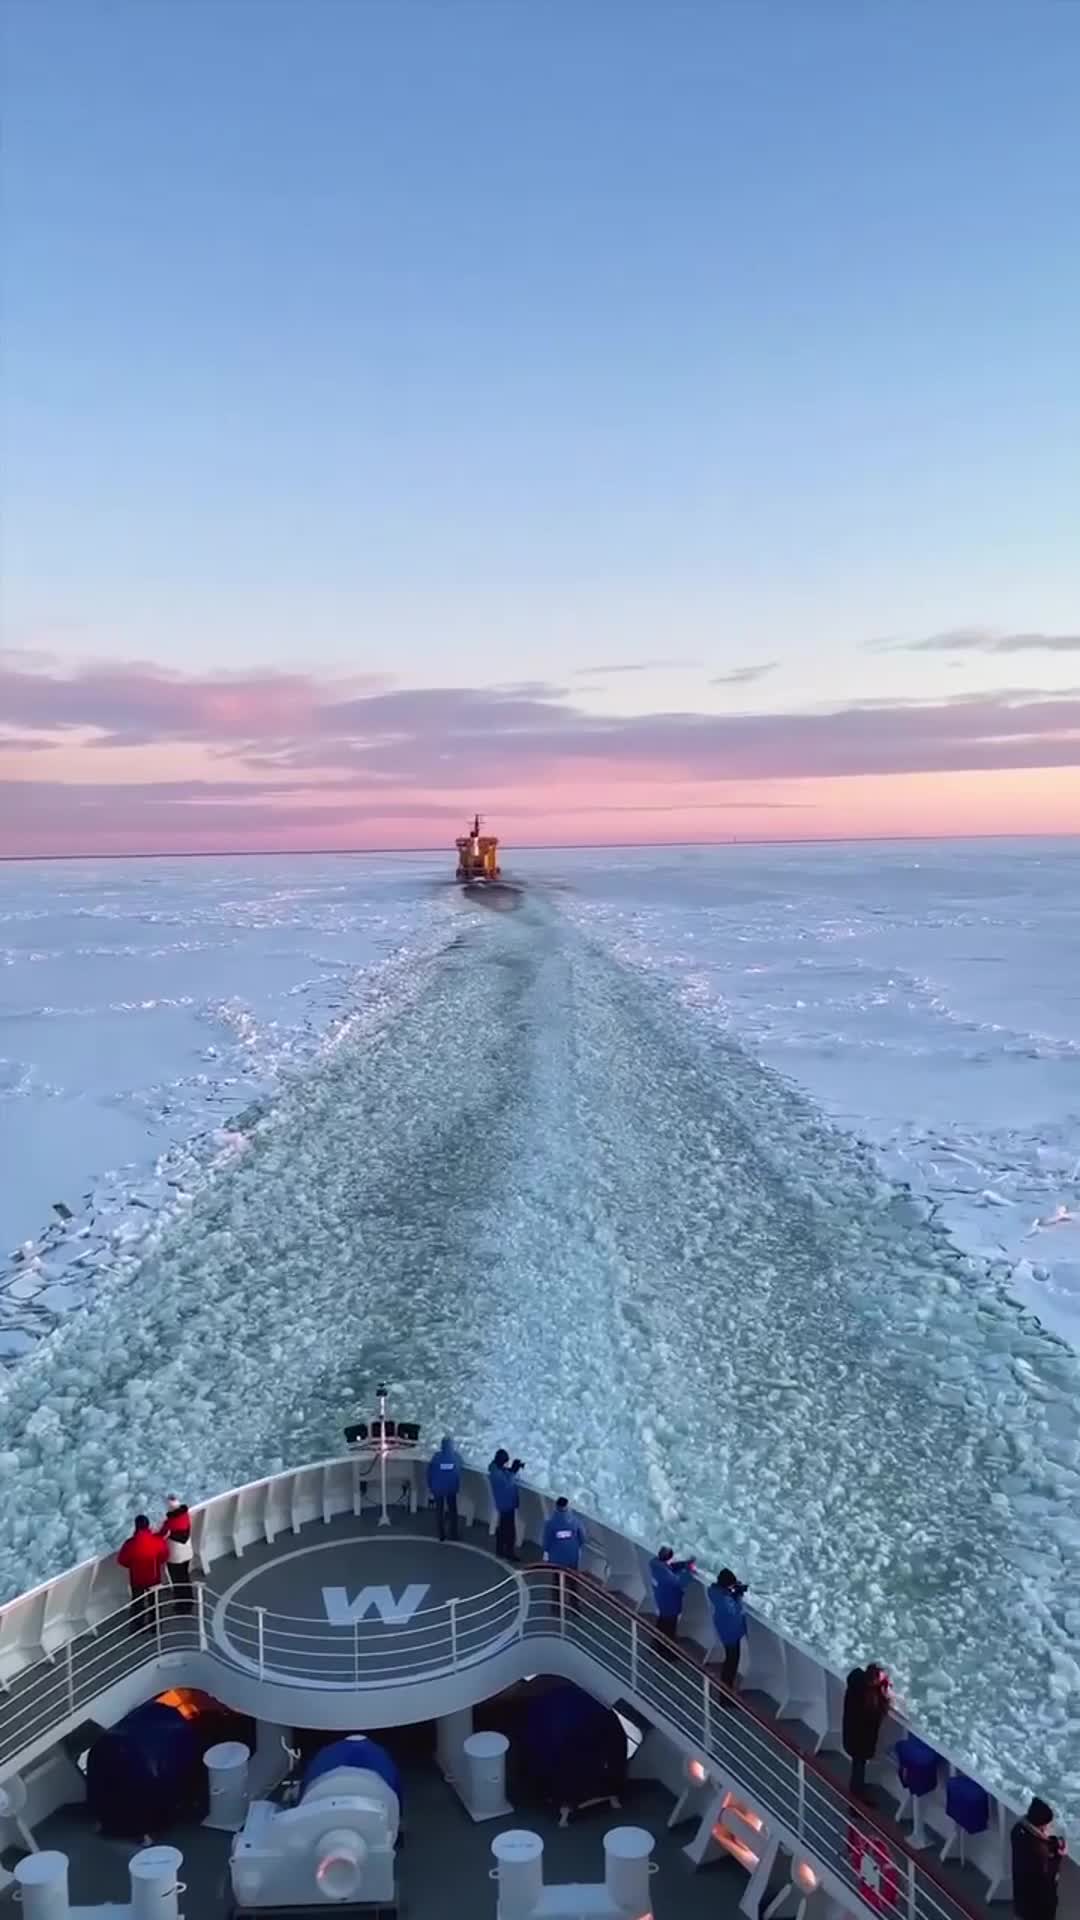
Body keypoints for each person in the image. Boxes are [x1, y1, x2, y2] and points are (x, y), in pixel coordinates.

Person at [842, 1663, 891, 1799]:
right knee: (858, 1767)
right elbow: (874, 1717)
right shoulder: (867, 1698)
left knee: (857, 1766)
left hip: (851, 1735)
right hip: (860, 1741)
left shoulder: (855, 1686)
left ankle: (857, 1789)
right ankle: (856, 1800)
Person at [1011, 1799, 1065, 1920]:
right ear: (1040, 1824)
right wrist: (1058, 1856)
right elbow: (1047, 1873)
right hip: (1038, 1907)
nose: (1047, 1827)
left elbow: (1040, 1841)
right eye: (1046, 1824)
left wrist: (1053, 1843)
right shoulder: (1036, 1847)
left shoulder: (1017, 1830)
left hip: (1022, 1901)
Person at [117, 1514, 169, 1634]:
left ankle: (138, 1627)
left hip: (137, 1579)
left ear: (136, 1527)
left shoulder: (130, 1544)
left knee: (137, 1603)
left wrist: (132, 1566)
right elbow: (164, 1555)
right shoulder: (157, 1541)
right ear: (148, 1526)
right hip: (153, 1577)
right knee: (154, 1602)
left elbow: (121, 1560)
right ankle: (155, 1626)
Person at [709, 1568, 748, 1688]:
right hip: (731, 1635)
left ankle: (725, 1690)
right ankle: (725, 1694)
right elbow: (736, 1612)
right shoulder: (725, 1601)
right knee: (731, 1664)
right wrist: (739, 1596)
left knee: (729, 1662)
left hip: (724, 1631)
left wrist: (732, 1592)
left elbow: (725, 1597)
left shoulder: (714, 1591)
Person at [649, 1546, 695, 1642]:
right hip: (670, 1605)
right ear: (670, 1558)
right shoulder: (667, 1577)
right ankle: (666, 1652)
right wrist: (689, 1571)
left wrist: (685, 1564)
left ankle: (655, 1643)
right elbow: (681, 1581)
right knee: (669, 1630)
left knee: (661, 1623)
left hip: (661, 1601)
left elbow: (671, 1567)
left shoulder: (656, 1564)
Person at [158, 1496, 194, 1612]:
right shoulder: (186, 1516)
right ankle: (190, 1599)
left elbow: (161, 1536)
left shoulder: (170, 1523)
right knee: (185, 1576)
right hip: (187, 1552)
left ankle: (182, 1605)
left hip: (175, 1556)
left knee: (177, 1581)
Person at [488, 1449, 523, 1561]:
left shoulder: (495, 1470)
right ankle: (508, 1552)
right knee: (508, 1530)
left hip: (504, 1504)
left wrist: (512, 1469)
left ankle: (500, 1550)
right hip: (506, 1505)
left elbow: (506, 1475)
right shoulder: (497, 1475)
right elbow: (507, 1484)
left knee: (503, 1528)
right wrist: (513, 1471)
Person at [427, 1436, 463, 1542]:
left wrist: (431, 1487)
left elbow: (429, 1473)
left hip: (437, 1489)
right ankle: (453, 1534)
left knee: (439, 1511)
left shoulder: (436, 1457)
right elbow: (460, 1467)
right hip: (451, 1489)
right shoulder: (456, 1457)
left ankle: (441, 1535)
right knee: (452, 1511)